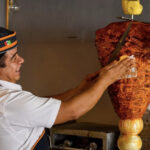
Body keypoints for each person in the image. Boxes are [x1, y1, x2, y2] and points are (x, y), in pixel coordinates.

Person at [0, 27, 134, 150]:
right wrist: (107, 79)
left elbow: (38, 105)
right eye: (13, 58)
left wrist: (78, 90)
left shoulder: (8, 98)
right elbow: (72, 112)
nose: (21, 60)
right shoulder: (9, 102)